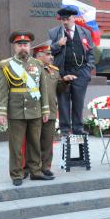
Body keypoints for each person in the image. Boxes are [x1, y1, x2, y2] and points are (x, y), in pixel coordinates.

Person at [0, 31, 54, 186]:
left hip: (35, 111)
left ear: (30, 47)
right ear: (15, 47)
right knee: (16, 146)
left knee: (35, 143)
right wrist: (1, 112)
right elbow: (2, 90)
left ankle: (35, 171)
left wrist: (45, 110)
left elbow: (43, 88)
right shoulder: (6, 65)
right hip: (16, 111)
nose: (23, 48)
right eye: (20, 45)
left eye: (26, 45)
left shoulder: (38, 64)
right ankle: (16, 174)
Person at [32, 41, 77, 177]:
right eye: (48, 54)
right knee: (33, 142)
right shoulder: (31, 70)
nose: (51, 57)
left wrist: (65, 81)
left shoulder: (54, 70)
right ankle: (32, 168)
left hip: (50, 111)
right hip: (33, 111)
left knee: (47, 142)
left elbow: (59, 89)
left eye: (51, 54)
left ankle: (45, 167)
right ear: (38, 56)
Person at [48, 6, 95, 135]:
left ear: (73, 18)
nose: (65, 22)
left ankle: (78, 128)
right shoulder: (54, 33)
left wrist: (89, 67)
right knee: (63, 101)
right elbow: (47, 51)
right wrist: (58, 44)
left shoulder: (85, 32)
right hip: (63, 71)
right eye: (62, 19)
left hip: (81, 72)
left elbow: (90, 51)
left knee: (78, 101)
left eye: (67, 19)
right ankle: (65, 129)